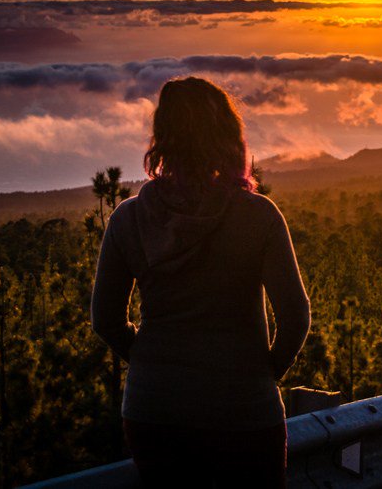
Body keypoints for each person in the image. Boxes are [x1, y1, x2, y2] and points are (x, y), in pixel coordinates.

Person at [90, 76, 310, 488]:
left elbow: (105, 319)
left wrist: (151, 361)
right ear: (227, 135)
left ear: (162, 137)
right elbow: (296, 316)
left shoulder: (128, 219)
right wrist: (262, 374)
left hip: (154, 413)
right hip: (242, 412)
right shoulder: (258, 216)